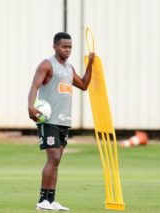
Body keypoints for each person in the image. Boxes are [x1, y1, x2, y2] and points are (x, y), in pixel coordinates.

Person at [28, 32, 94, 211]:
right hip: (48, 120)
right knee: (53, 157)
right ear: (55, 46)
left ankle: (51, 200)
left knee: (57, 161)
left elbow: (84, 85)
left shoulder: (69, 68)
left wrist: (90, 65)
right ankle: (42, 200)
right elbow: (34, 86)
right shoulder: (47, 64)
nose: (68, 50)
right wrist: (30, 107)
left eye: (70, 47)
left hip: (64, 121)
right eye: (64, 46)